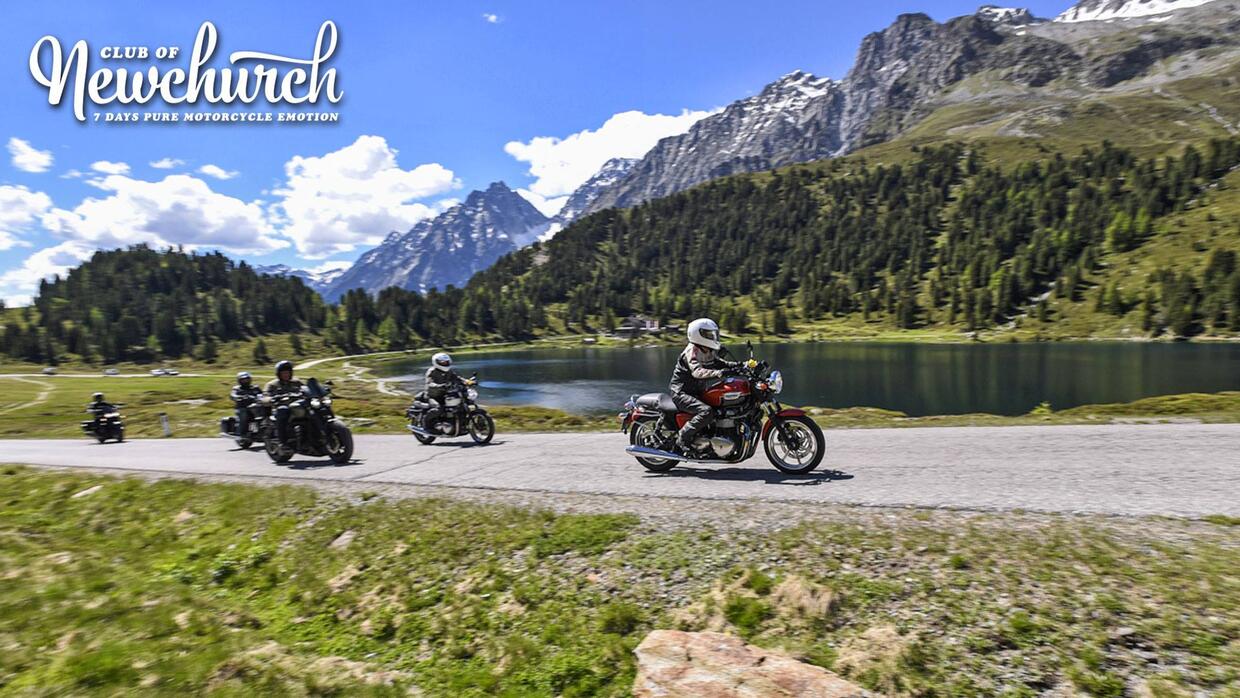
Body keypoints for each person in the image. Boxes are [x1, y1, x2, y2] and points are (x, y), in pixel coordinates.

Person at [669, 318, 741, 452]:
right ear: (698, 334)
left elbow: (719, 363)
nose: (712, 337)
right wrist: (719, 373)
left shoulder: (708, 350)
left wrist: (739, 366)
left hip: (697, 391)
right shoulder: (692, 351)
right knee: (706, 412)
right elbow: (697, 372)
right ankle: (682, 437)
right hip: (682, 392)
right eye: (708, 334)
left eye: (713, 334)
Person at [265, 360, 304, 446]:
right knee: (283, 410)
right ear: (279, 374)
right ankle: (283, 442)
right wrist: (272, 399)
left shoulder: (296, 382)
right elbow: (265, 396)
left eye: (288, 372)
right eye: (283, 373)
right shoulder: (272, 384)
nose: (286, 374)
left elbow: (306, 389)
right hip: (282, 407)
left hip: (298, 406)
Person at [424, 352, 462, 432]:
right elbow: (430, 383)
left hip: (444, 394)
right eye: (443, 362)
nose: (445, 363)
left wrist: (467, 381)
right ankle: (426, 425)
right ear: (436, 362)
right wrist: (439, 385)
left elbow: (457, 378)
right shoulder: (432, 371)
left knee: (460, 405)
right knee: (439, 409)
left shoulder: (449, 371)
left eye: (446, 362)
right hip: (433, 395)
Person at [229, 371, 264, 439]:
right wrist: (238, 397)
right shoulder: (237, 388)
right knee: (244, 415)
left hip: (256, 406)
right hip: (242, 407)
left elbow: (263, 394)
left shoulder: (255, 388)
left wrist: (265, 397)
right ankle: (242, 433)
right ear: (239, 380)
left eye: (247, 379)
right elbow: (232, 395)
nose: (245, 381)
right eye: (243, 380)